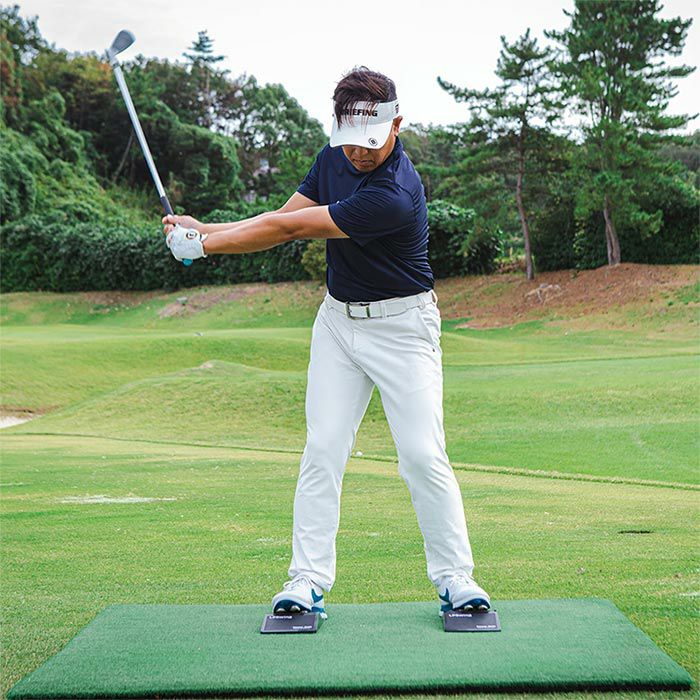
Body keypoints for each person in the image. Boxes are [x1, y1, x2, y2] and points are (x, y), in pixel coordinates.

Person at [162, 66, 491, 618]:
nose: (358, 154)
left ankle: (455, 577)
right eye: (349, 141)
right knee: (323, 447)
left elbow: (289, 232)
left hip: (404, 329)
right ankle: (306, 581)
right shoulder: (333, 157)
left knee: (420, 452)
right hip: (338, 324)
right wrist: (207, 230)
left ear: (396, 125)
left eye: (369, 142)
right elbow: (281, 216)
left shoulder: (395, 193)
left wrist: (204, 247)